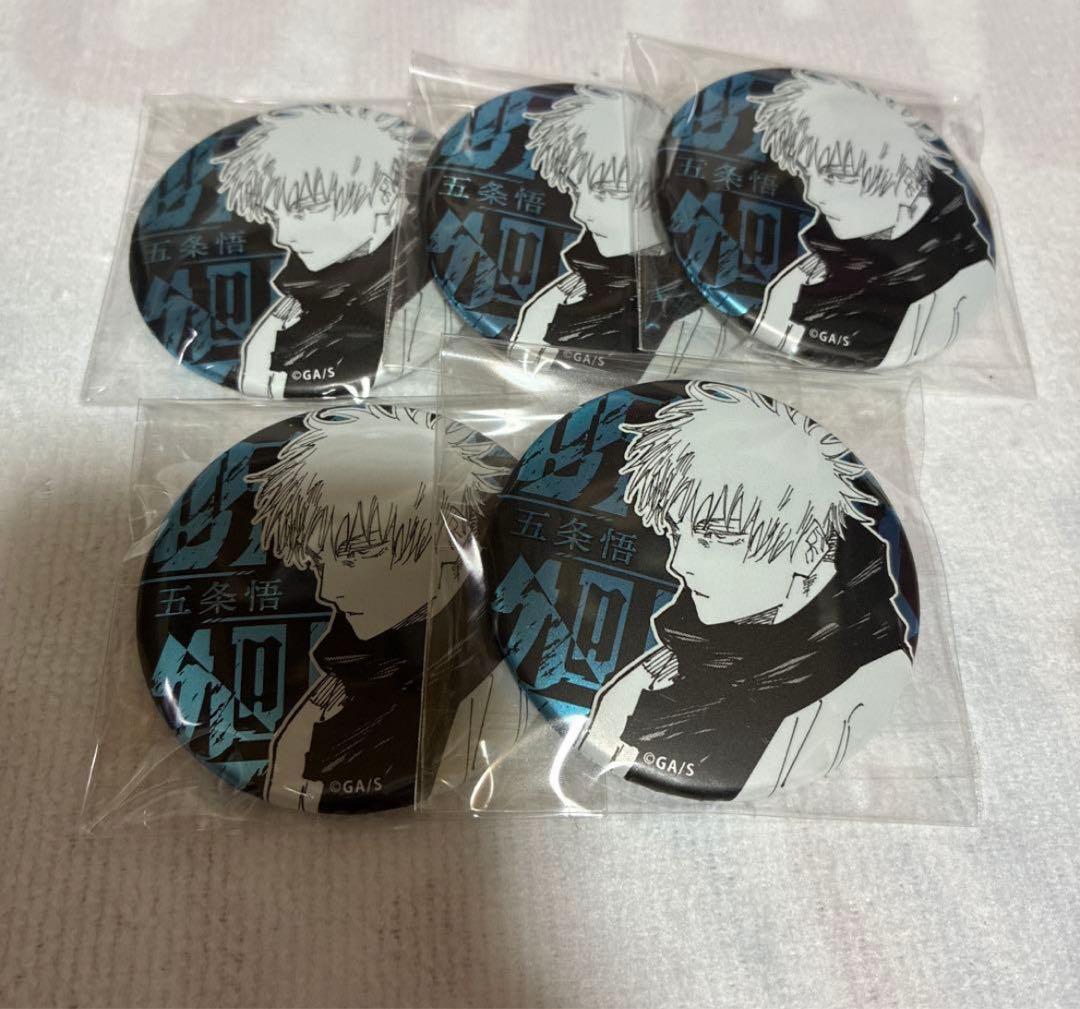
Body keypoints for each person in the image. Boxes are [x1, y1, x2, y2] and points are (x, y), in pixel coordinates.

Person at [575, 382, 914, 800]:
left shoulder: (860, 686)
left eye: (716, 535)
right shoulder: (680, 656)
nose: (678, 563)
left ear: (809, 549)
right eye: (676, 532)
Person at [246, 404, 501, 812]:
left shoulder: (496, 681)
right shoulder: (341, 682)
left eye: (356, 554)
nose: (328, 591)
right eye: (318, 562)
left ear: (450, 534)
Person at [748, 71, 994, 368]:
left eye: (836, 176)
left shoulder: (957, 288)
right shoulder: (814, 270)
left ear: (905, 183)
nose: (812, 195)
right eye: (804, 174)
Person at [213, 105, 445, 397]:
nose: (283, 237)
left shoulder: (433, 292)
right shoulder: (302, 302)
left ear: (385, 194)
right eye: (274, 216)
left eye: (305, 210)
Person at [508, 86, 727, 371]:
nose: (579, 213)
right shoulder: (565, 296)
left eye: (609, 189)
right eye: (575, 190)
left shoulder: (702, 312)